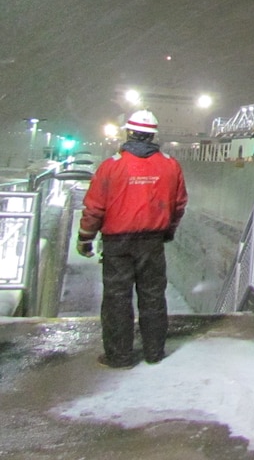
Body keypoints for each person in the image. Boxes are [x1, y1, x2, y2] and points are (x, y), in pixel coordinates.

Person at [77, 109, 188, 368]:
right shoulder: (170, 165)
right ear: (152, 136)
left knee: (117, 299)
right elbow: (179, 204)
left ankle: (120, 356)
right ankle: (154, 352)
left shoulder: (111, 166)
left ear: (128, 132)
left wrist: (85, 238)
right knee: (153, 297)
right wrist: (168, 231)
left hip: (118, 243)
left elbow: (95, 207)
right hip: (152, 242)